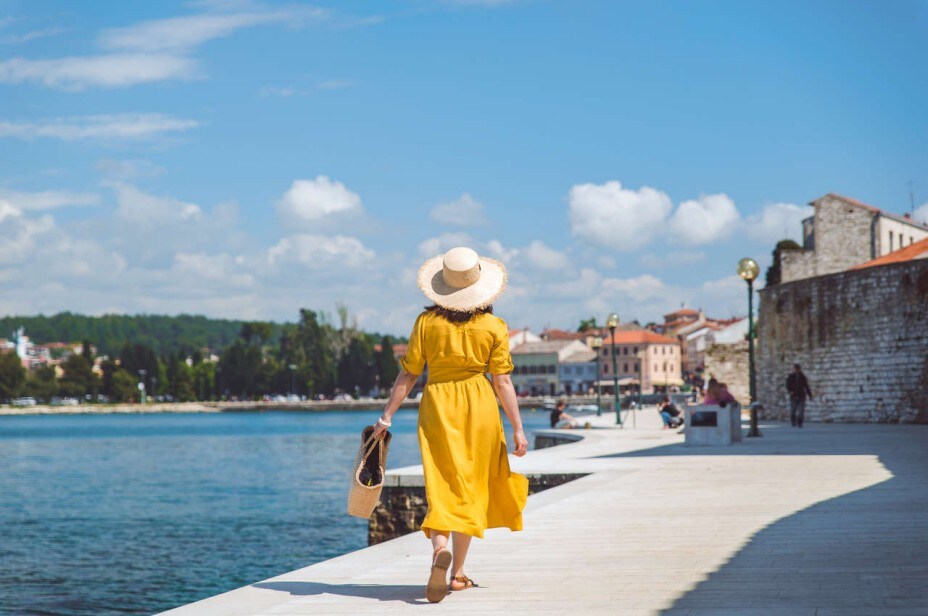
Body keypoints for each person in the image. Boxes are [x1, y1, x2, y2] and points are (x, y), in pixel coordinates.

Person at [373, 247, 528, 604]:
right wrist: (518, 428)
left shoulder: (426, 323)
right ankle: (457, 574)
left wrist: (386, 416)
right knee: (470, 487)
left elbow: (409, 374)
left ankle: (438, 550)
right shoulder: (493, 326)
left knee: (442, 482)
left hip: (438, 404)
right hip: (480, 406)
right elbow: (503, 382)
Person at [786, 363, 813, 428]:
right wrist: (790, 391)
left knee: (801, 411)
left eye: (797, 369)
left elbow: (806, 386)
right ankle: (793, 422)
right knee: (793, 410)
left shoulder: (802, 377)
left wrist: (810, 395)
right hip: (794, 396)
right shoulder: (791, 377)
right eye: (795, 369)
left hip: (801, 395)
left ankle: (800, 423)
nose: (796, 370)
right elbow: (787, 385)